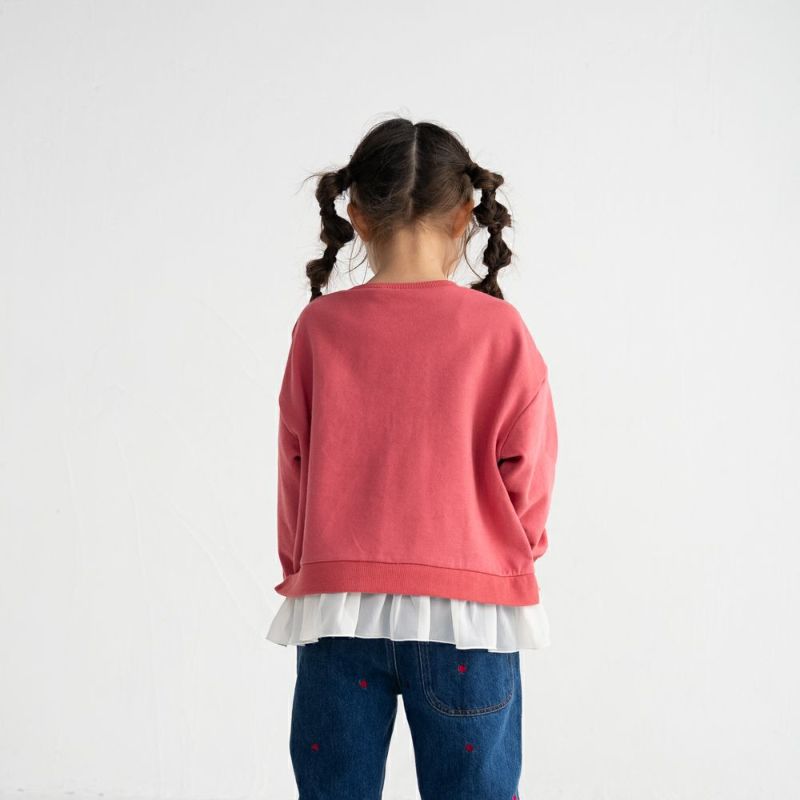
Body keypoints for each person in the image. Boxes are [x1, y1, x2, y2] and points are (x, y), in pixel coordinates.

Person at [266, 116, 559, 800]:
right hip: (467, 617)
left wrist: (303, 567)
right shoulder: (500, 330)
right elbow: (530, 471)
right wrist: (506, 555)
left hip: (339, 611)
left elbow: (294, 467)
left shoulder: (320, 328)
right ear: (465, 215)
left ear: (356, 216)